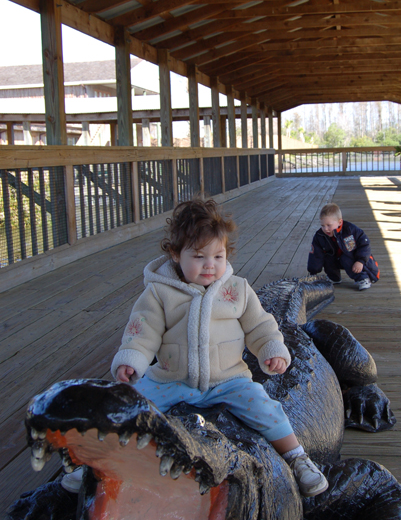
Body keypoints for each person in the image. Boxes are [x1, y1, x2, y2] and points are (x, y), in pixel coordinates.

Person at [108, 198, 328, 498]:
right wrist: (132, 360)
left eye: (218, 256)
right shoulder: (159, 292)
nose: (210, 265)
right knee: (128, 407)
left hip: (228, 380)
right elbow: (142, 331)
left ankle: (297, 457)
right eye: (199, 256)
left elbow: (260, 325)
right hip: (171, 379)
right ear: (175, 254)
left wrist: (271, 350)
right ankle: (96, 462)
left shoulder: (237, 289)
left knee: (266, 408)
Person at [307, 202, 379, 291]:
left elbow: (364, 245)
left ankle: (363, 278)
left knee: (346, 258)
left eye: (329, 225)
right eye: (323, 225)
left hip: (353, 258)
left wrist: (361, 261)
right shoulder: (320, 236)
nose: (325, 229)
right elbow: (315, 254)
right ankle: (334, 278)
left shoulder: (351, 230)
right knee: (327, 257)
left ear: (339, 222)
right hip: (336, 258)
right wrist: (313, 271)